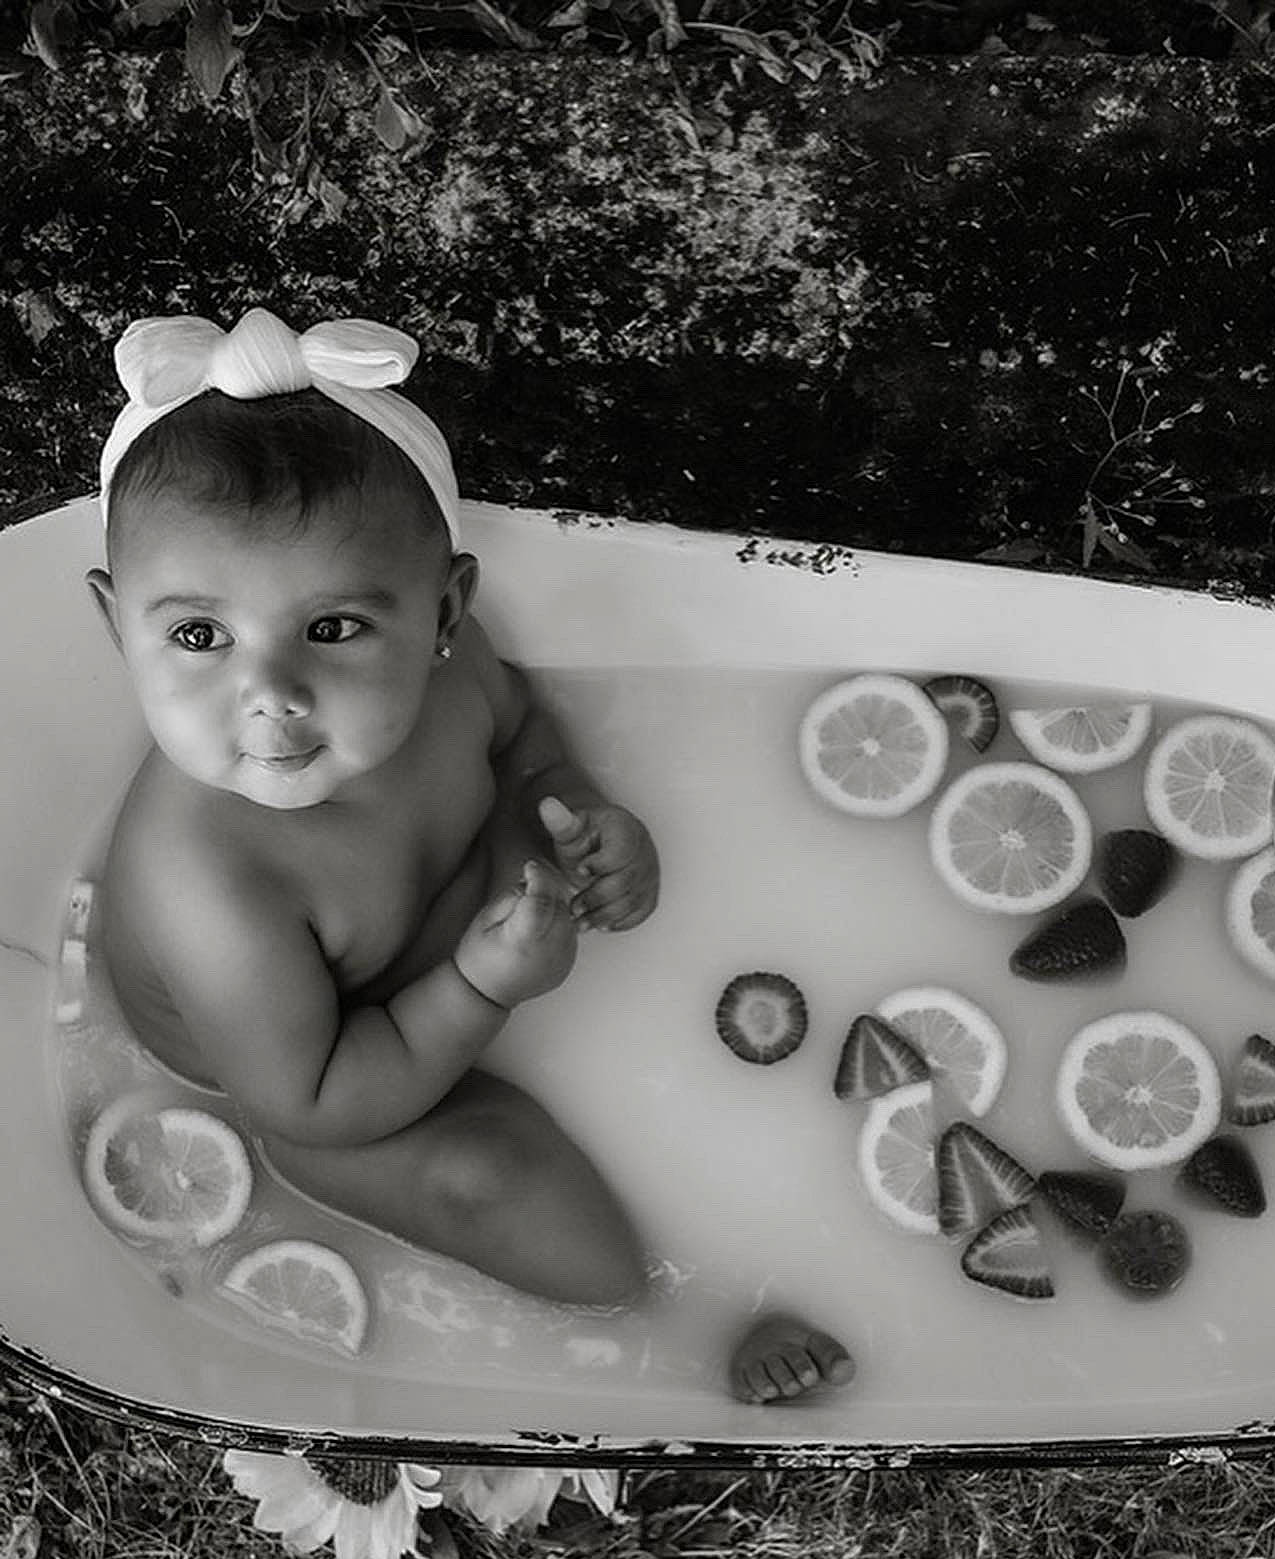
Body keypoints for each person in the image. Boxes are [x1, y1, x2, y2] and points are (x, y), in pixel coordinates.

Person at [88, 307, 854, 1405]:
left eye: (333, 629)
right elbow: (315, 1100)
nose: (272, 694)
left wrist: (575, 807)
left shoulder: (453, 679)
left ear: (445, 612)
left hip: (442, 918)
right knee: (488, 1178)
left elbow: (521, 733)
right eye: (198, 636)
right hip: (320, 1074)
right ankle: (686, 1325)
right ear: (116, 626)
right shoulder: (209, 882)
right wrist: (481, 987)